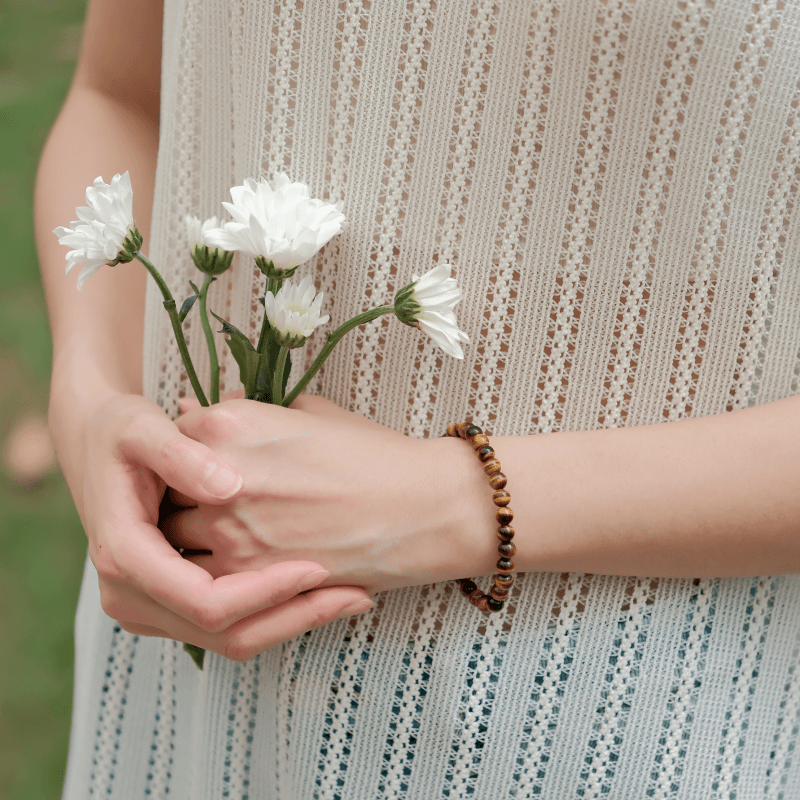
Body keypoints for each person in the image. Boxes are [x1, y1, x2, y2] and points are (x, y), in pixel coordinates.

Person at [37, 0, 800, 797]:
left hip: (618, 721)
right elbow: (119, 98)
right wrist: (89, 402)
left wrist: (448, 501)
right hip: (187, 687)